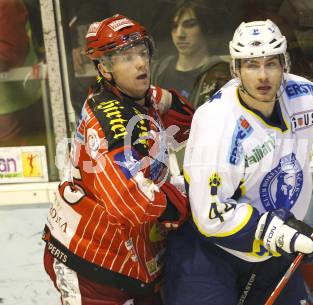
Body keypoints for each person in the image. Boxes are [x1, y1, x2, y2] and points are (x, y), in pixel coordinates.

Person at [164, 19, 313, 305]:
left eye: (271, 63)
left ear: (285, 63)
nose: (263, 76)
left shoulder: (304, 97)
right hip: (209, 257)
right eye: (252, 65)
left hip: (270, 254)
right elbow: (211, 215)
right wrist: (285, 234)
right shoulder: (216, 123)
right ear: (236, 69)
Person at [42, 14, 194, 305]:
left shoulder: (139, 97)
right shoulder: (109, 119)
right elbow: (129, 197)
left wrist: (169, 100)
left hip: (132, 260)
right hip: (88, 262)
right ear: (104, 68)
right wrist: (178, 204)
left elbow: (187, 126)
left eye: (142, 52)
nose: (140, 63)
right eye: (126, 57)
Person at [151, 0, 229, 107]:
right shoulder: (157, 70)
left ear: (205, 27)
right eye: (174, 26)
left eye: (189, 25)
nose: (179, 34)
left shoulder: (220, 73)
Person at [0, 0, 45, 146]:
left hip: (14, 106)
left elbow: (8, 54)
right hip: (9, 106)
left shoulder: (7, 3)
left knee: (19, 164)